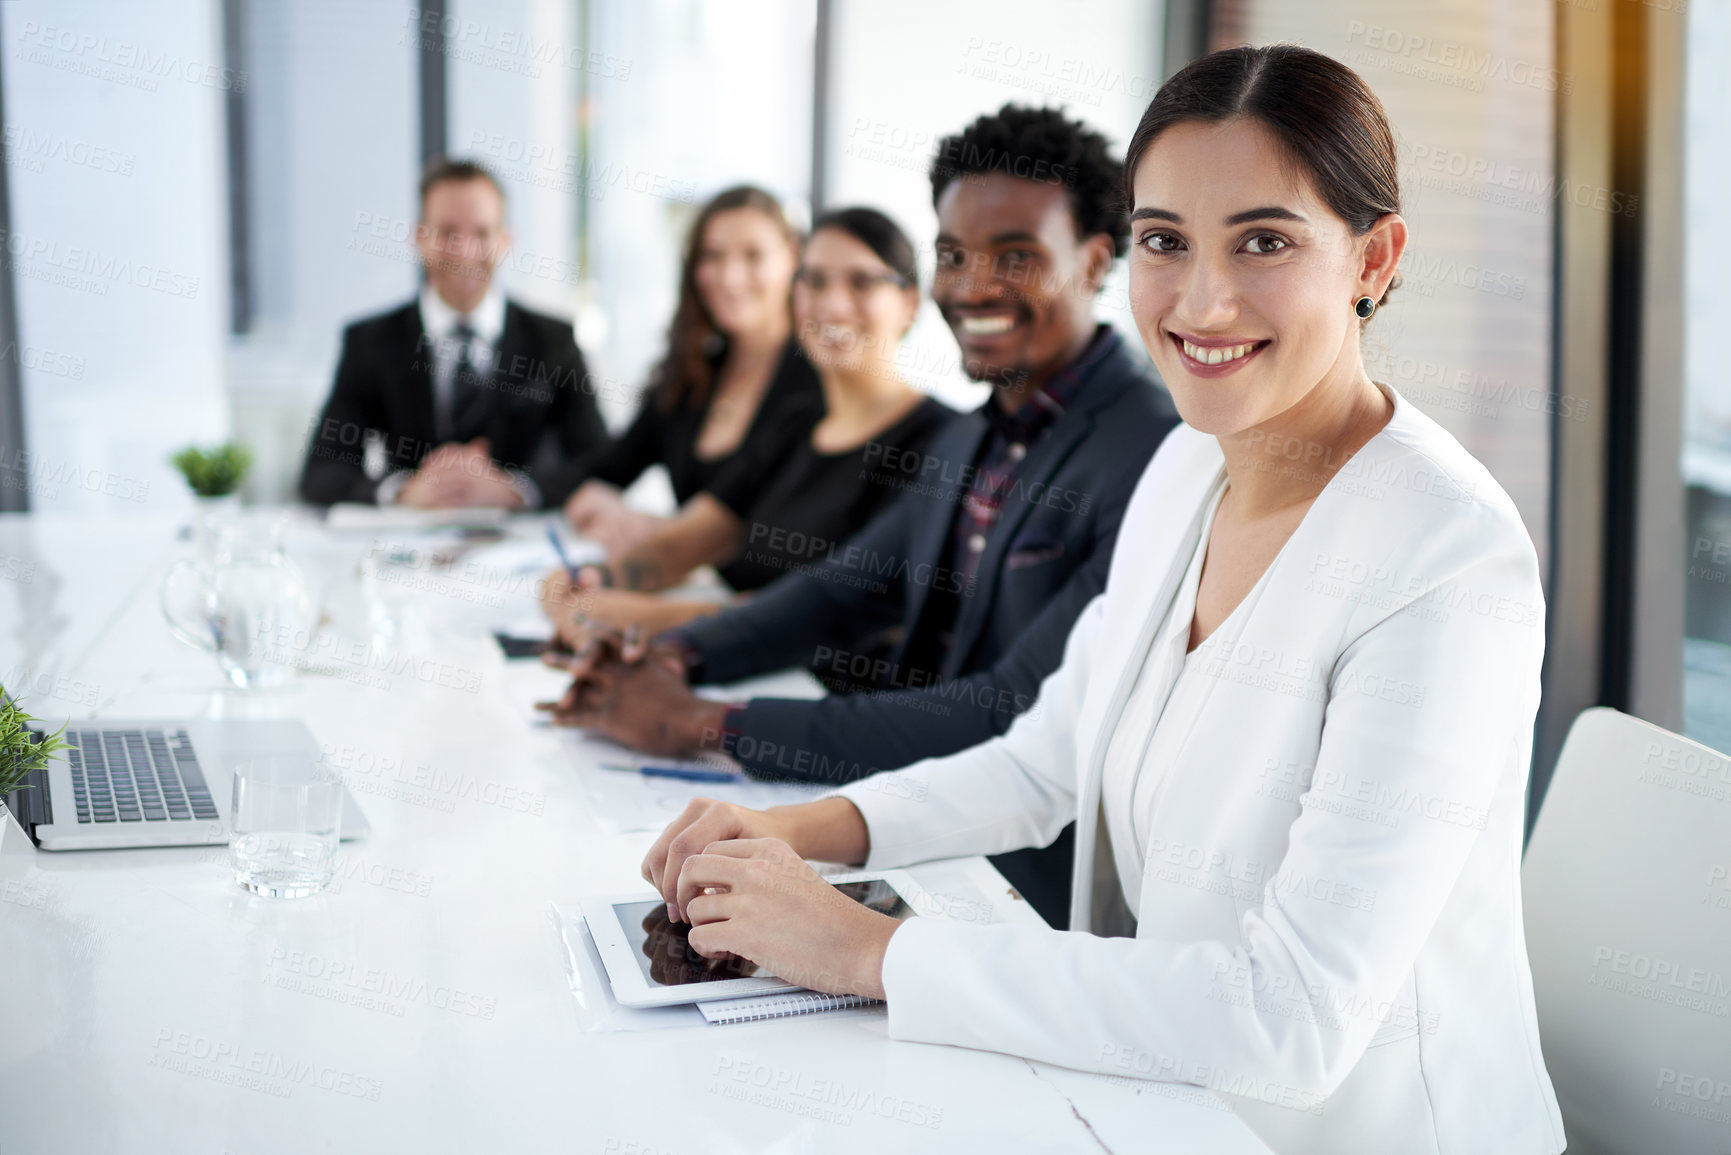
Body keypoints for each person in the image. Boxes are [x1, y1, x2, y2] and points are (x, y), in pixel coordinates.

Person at [628, 47, 1565, 1155]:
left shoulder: (1447, 557)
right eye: (1167, 240)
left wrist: (866, 952)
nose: (1202, 299)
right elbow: (1046, 760)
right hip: (1152, 1099)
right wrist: (792, 832)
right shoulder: (1184, 470)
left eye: (1264, 240)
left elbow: (1294, 1019)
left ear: (1375, 257)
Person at [540, 105, 1183, 929]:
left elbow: (1003, 711)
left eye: (1015, 257)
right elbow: (836, 591)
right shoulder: (974, 430)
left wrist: (696, 723)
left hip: (1024, 891)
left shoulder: (1151, 448)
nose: (973, 285)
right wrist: (661, 654)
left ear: (1095, 259)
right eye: (954, 255)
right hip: (912, 831)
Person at [542, 207, 952, 634]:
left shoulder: (938, 441)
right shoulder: (796, 424)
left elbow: (837, 613)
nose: (832, 303)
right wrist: (600, 579)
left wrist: (633, 618)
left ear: (909, 302)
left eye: (862, 282)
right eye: (814, 281)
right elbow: (686, 542)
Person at [299, 159, 607, 509]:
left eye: (481, 233)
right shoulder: (370, 342)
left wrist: (516, 490)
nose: (464, 252)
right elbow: (320, 473)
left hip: (521, 546)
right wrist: (402, 491)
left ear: (506, 240)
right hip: (408, 547)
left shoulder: (554, 341)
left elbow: (600, 462)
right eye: (448, 233)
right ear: (420, 238)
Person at [552, 187, 823, 554]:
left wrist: (663, 531)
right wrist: (588, 496)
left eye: (752, 255)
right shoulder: (691, 374)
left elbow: (793, 541)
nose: (729, 277)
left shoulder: (820, 384)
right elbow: (607, 466)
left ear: (792, 256)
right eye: (713, 256)